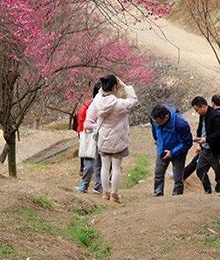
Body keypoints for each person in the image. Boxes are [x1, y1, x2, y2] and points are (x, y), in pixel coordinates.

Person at [84, 74, 138, 203]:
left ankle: (105, 193)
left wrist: (106, 85)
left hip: (103, 139)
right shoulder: (120, 105)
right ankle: (114, 194)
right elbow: (134, 100)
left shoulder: (97, 101)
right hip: (118, 140)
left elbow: (100, 93)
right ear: (115, 86)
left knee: (104, 166)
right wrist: (125, 86)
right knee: (116, 167)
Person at [190, 95, 220, 194]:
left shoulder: (215, 116)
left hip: (216, 150)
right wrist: (199, 140)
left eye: (197, 110)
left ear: (203, 106)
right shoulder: (202, 115)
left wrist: (206, 139)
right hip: (204, 149)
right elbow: (201, 128)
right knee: (200, 170)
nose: (197, 112)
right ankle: (208, 190)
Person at [150, 105, 192, 196]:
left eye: (159, 122)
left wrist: (173, 152)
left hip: (178, 152)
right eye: (155, 121)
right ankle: (158, 194)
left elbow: (187, 143)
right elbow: (154, 130)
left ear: (166, 116)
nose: (156, 123)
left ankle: (177, 197)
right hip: (162, 150)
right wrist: (157, 139)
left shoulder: (180, 124)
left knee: (178, 178)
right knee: (158, 174)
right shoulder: (154, 120)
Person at [75, 81, 103, 194]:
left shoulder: (107, 104)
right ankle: (84, 184)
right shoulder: (88, 106)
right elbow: (82, 125)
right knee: (90, 163)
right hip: (90, 138)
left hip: (103, 138)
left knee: (102, 164)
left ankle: (99, 186)